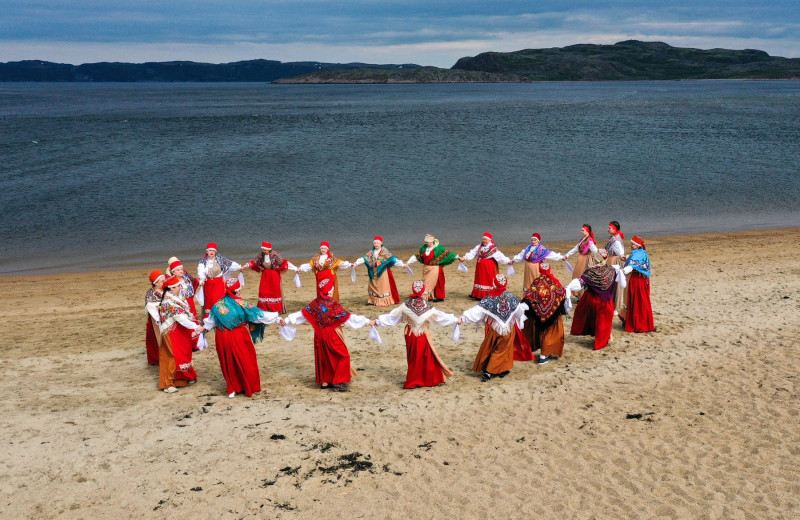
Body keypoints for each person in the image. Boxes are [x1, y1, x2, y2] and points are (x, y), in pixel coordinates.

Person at [282, 276, 371, 391]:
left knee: (323, 357)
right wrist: (368, 321)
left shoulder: (315, 303)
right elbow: (349, 318)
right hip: (332, 334)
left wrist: (287, 319)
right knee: (342, 355)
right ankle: (339, 382)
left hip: (319, 335)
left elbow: (301, 314)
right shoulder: (332, 304)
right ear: (330, 290)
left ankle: (325, 381)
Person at [202, 279, 281, 398]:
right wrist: (277, 318)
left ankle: (233, 388)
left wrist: (201, 330)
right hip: (239, 335)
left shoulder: (218, 305)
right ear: (237, 291)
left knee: (229, 362)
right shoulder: (242, 304)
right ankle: (249, 386)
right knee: (247, 360)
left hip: (222, 336)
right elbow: (258, 316)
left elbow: (210, 322)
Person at [373, 280, 458, 388]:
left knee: (413, 357)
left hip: (410, 333)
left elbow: (393, 317)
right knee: (426, 356)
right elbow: (439, 316)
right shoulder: (426, 305)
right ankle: (428, 379)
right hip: (422, 333)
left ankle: (413, 380)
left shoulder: (406, 304)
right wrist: (454, 319)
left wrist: (378, 321)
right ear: (423, 291)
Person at [459, 274, 528, 382]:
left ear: (494, 284)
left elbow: (477, 311)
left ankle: (496, 369)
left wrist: (463, 318)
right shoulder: (511, 297)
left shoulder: (489, 299)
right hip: (508, 328)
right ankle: (490, 371)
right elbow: (519, 311)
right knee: (502, 350)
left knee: (490, 347)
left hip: (493, 328)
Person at [566, 261, 626, 351]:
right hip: (605, 301)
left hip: (590, 299)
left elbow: (579, 284)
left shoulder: (590, 272)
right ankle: (600, 342)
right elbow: (623, 284)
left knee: (592, 317)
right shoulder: (613, 270)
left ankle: (608, 335)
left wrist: (568, 288)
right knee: (604, 321)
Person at [158, 275, 202, 393]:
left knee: (182, 354)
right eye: (177, 286)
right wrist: (197, 327)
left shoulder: (175, 297)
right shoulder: (169, 302)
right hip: (171, 332)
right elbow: (181, 319)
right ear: (171, 288)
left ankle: (181, 379)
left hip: (177, 331)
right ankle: (168, 383)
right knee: (172, 356)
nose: (180, 287)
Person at [520, 264, 567, 364]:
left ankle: (541, 353)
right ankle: (543, 356)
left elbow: (529, 296)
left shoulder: (536, 282)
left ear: (540, 270)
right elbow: (561, 293)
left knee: (539, 330)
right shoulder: (554, 283)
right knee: (550, 333)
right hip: (552, 314)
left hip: (537, 315)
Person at [242, 241, 297, 313]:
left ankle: (276, 309)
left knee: (275, 292)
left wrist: (295, 268)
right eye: (263, 250)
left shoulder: (275, 254)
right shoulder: (261, 255)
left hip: (274, 275)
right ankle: (264, 308)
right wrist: (245, 266)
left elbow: (284, 263)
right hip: (265, 276)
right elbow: (255, 262)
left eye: (265, 250)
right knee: (263, 292)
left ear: (269, 249)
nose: (264, 251)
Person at [352, 236, 404, 307]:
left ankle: (382, 301)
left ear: (381, 244)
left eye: (377, 243)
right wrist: (356, 263)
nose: (376, 244)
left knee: (382, 286)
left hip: (382, 272)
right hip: (373, 272)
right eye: (375, 243)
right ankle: (371, 300)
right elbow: (364, 259)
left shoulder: (385, 252)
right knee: (372, 285)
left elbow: (393, 260)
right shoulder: (371, 252)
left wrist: (402, 264)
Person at [459, 232, 512, 299]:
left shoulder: (492, 249)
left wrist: (507, 261)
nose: (484, 241)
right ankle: (478, 294)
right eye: (483, 239)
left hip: (488, 266)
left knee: (487, 279)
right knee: (479, 279)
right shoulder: (479, 247)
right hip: (480, 266)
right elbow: (472, 253)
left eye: (486, 240)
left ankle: (486, 294)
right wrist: (464, 258)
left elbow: (500, 256)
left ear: (489, 240)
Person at [406, 234, 458, 302]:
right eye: (426, 242)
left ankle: (437, 297)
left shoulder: (438, 248)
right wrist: (408, 262)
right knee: (425, 281)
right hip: (426, 268)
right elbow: (417, 256)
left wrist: (458, 257)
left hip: (435, 268)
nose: (426, 243)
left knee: (435, 282)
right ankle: (430, 296)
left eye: (427, 242)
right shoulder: (424, 248)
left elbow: (447, 254)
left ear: (432, 242)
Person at [197, 243, 242, 316]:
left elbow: (230, 264)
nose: (211, 252)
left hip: (218, 283)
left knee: (218, 299)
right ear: (207, 252)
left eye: (213, 251)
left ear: (215, 252)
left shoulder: (220, 259)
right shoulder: (203, 261)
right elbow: (201, 270)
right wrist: (202, 279)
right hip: (208, 284)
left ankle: (221, 317)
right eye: (210, 250)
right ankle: (209, 319)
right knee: (209, 300)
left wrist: (239, 267)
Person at [621, 235, 655, 333]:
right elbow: (633, 260)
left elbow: (632, 265)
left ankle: (638, 323)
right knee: (640, 300)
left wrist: (623, 271)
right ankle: (640, 322)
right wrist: (627, 258)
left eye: (633, 244)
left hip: (637, 280)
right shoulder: (640, 253)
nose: (631, 245)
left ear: (637, 246)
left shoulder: (639, 254)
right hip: (640, 279)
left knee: (637, 300)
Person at [167, 257, 200, 350]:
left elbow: (193, 285)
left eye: (181, 269)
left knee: (193, 319)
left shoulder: (186, 278)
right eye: (178, 270)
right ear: (173, 272)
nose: (181, 271)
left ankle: (196, 343)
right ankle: (188, 343)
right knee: (185, 321)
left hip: (190, 301)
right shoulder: (172, 282)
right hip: (181, 303)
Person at [604, 221, 626, 316]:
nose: (608, 229)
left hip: (615, 261)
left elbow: (621, 252)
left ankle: (616, 306)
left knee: (615, 284)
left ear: (614, 229)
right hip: (611, 260)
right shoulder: (613, 238)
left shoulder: (616, 240)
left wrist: (621, 257)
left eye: (609, 228)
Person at [144, 270, 165, 366]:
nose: (164, 282)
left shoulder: (166, 290)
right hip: (154, 319)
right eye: (162, 281)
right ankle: (155, 359)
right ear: (156, 283)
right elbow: (150, 306)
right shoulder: (150, 293)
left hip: (165, 316)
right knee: (154, 339)